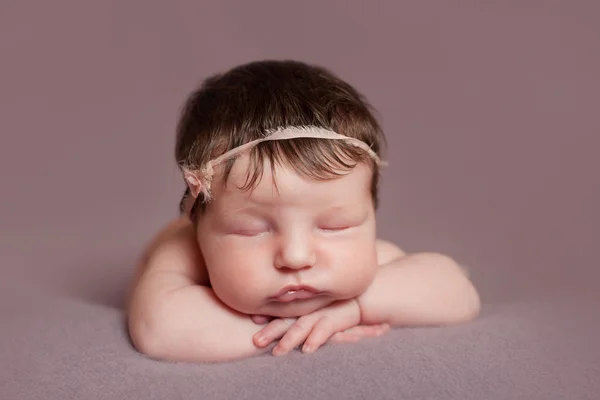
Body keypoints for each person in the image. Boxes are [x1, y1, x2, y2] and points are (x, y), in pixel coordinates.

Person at [126, 60, 481, 363]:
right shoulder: (183, 248)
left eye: (333, 226)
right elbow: (158, 329)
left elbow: (458, 291)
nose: (296, 256)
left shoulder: (366, 260)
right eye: (252, 230)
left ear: (370, 213)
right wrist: (293, 331)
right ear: (197, 223)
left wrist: (356, 307)